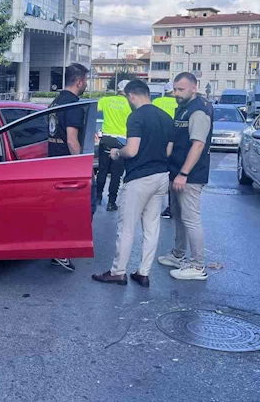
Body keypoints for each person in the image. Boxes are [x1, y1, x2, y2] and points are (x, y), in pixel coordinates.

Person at [92, 80, 172, 287]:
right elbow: (169, 150)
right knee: (152, 228)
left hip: (139, 178)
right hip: (162, 176)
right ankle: (143, 273)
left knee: (126, 227)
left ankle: (118, 272)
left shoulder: (136, 116)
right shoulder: (164, 116)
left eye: (128, 98)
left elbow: (132, 150)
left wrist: (117, 153)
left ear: (132, 96)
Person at [158, 72, 213, 281]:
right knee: (178, 216)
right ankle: (178, 254)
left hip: (189, 175)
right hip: (176, 172)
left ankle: (198, 266)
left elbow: (198, 144)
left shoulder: (198, 111)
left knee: (191, 219)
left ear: (194, 88)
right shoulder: (182, 108)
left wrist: (183, 173)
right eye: (175, 89)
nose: (176, 93)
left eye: (180, 89)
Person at [47, 63, 90, 272]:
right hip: (67, 166)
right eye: (86, 81)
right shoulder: (73, 104)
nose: (86, 85)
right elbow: (72, 140)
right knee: (76, 209)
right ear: (79, 81)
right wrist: (81, 167)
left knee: (59, 209)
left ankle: (57, 249)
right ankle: (62, 251)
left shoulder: (56, 100)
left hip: (53, 163)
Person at [96, 80, 132, 211]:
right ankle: (111, 202)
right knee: (116, 174)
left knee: (102, 170)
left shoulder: (106, 100)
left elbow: (95, 110)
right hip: (121, 141)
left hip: (106, 138)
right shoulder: (130, 103)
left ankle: (98, 196)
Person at [153, 82, 178, 218]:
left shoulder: (157, 101)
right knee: (172, 174)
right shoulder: (179, 103)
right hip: (175, 141)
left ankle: (153, 204)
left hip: (159, 141)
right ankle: (172, 206)